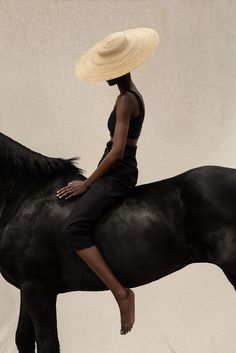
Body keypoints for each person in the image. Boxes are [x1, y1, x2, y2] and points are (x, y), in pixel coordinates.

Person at [56, 27, 160, 335]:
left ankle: (121, 293)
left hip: (119, 171)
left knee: (74, 229)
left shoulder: (126, 101)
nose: (106, 76)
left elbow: (116, 153)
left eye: (110, 70)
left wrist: (87, 183)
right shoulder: (130, 95)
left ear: (123, 68)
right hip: (117, 168)